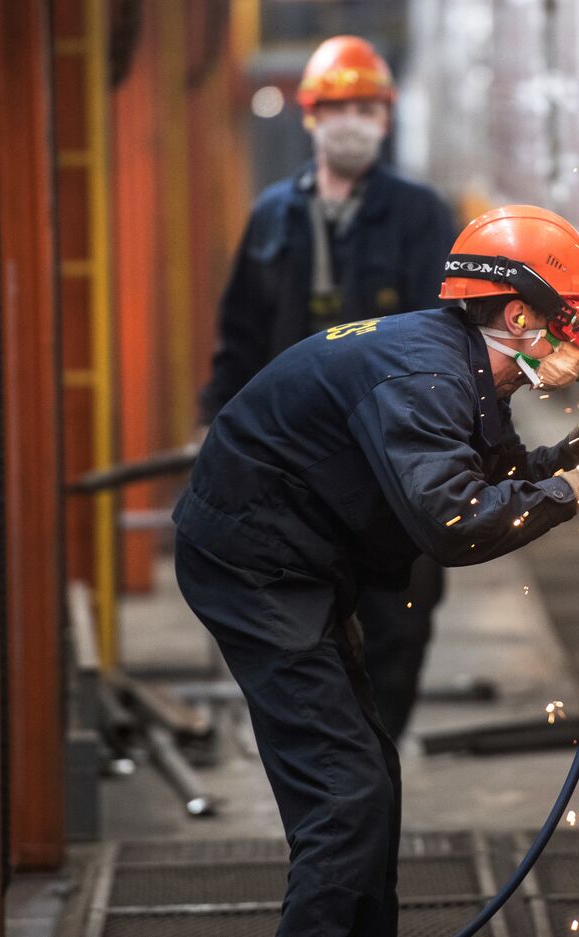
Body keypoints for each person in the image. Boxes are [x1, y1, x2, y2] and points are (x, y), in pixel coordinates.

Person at [173, 205, 579, 936]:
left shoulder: (465, 370)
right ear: (520, 314)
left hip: (303, 555)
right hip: (255, 565)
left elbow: (506, 480)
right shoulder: (425, 378)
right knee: (345, 794)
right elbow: (458, 524)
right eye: (572, 320)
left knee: (370, 772)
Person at [200, 35, 458, 739]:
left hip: (393, 467)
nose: (352, 120)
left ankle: (380, 755)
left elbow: (451, 337)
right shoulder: (273, 218)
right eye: (338, 106)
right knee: (300, 629)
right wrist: (215, 430)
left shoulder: (422, 217)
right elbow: (240, 338)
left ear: (386, 115)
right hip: (296, 469)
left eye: (365, 106)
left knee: (395, 631)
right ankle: (339, 765)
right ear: (311, 115)